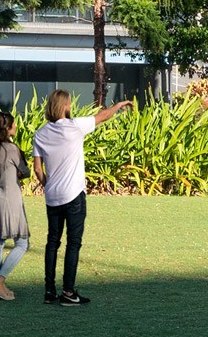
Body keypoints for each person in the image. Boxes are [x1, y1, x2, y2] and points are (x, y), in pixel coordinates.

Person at [29, 90, 133, 306]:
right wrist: (119, 105)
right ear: (65, 105)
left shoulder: (40, 134)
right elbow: (103, 116)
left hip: (52, 196)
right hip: (74, 194)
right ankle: (68, 292)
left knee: (52, 242)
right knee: (73, 243)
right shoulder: (75, 126)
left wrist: (49, 185)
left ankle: (49, 291)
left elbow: (38, 169)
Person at [0, 112, 31, 301]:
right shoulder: (12, 149)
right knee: (22, 243)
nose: (16, 126)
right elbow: (25, 171)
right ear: (7, 128)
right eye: (13, 124)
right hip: (11, 200)